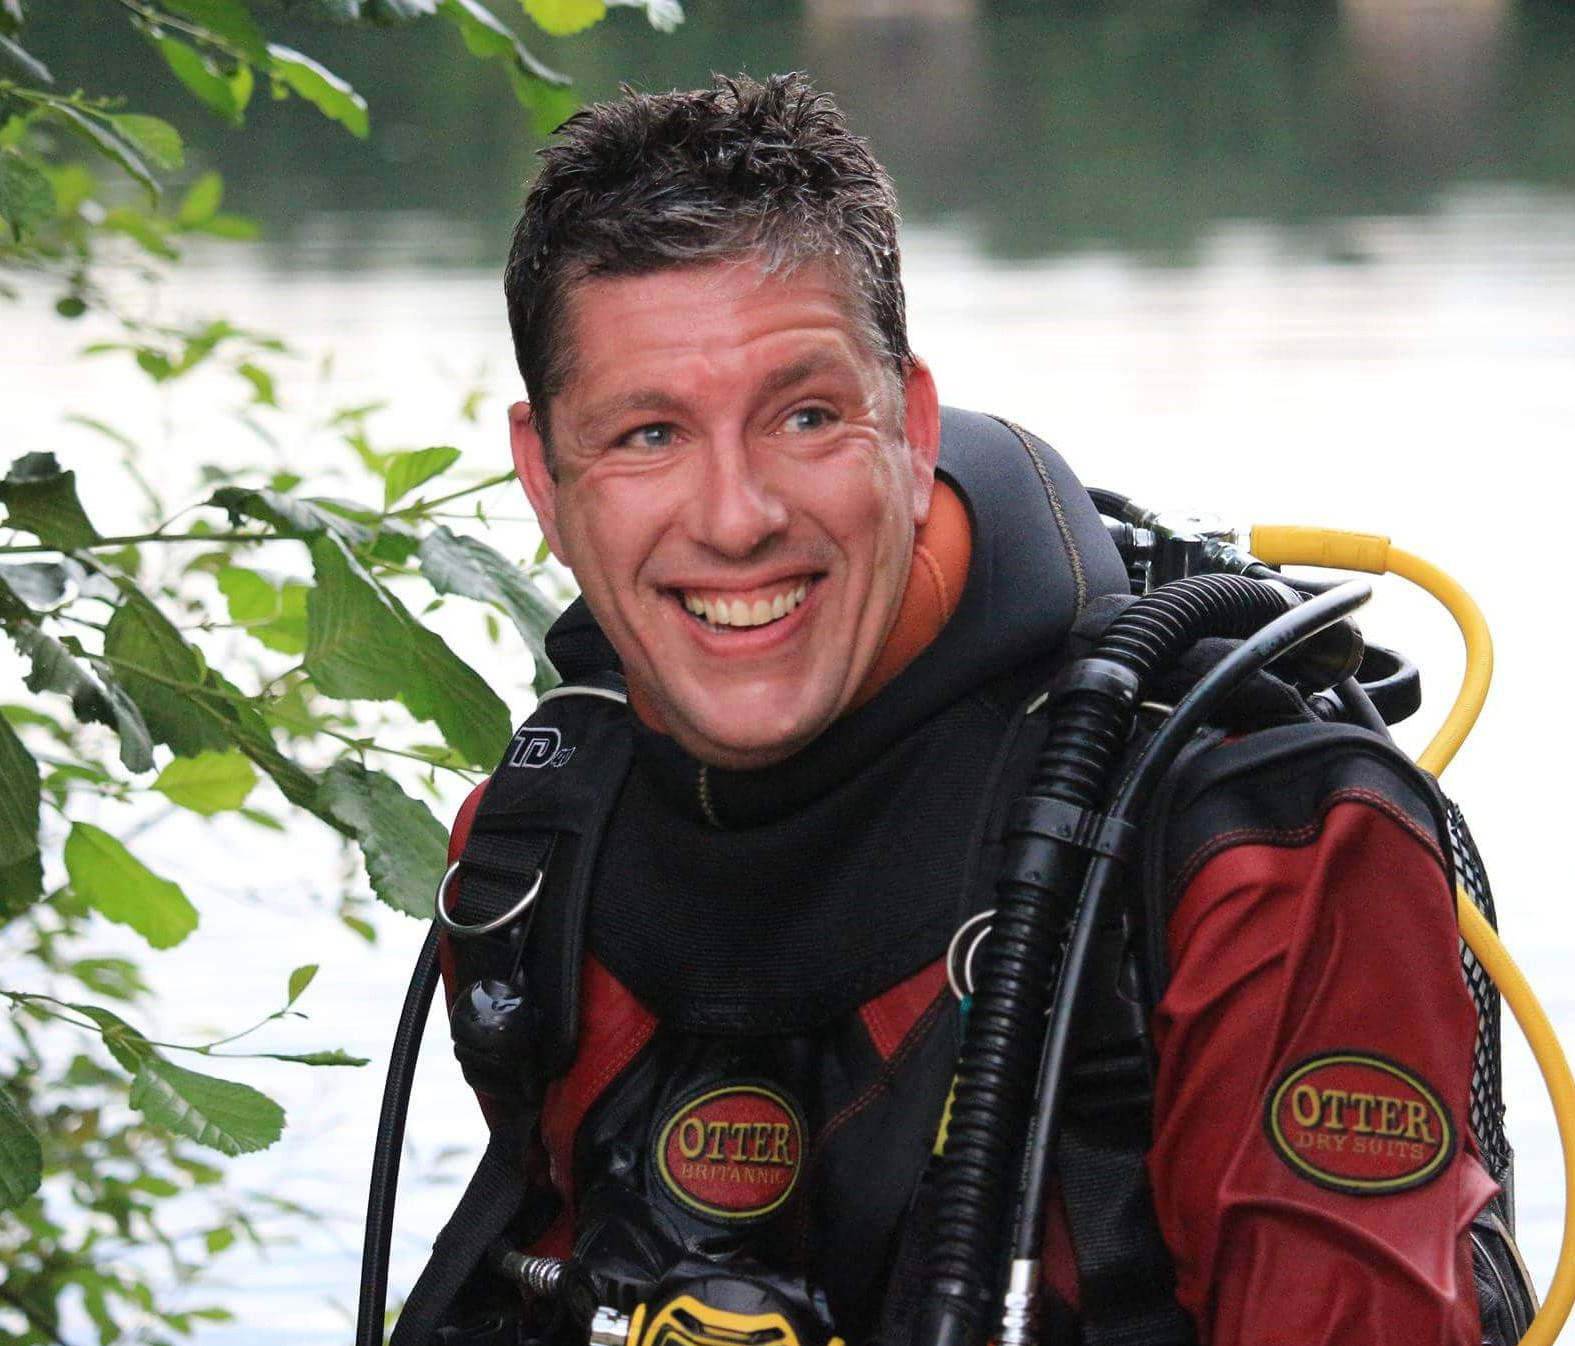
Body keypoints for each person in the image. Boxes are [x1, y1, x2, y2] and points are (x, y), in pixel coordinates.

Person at [404, 73, 1525, 1346]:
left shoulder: (1243, 850)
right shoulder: (535, 855)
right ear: (545, 479)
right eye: (648, 434)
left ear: (912, 425)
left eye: (807, 415)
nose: (734, 517)